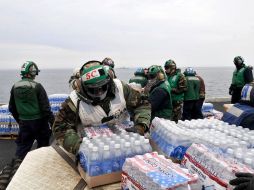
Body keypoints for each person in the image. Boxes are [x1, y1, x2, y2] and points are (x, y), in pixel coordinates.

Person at [52, 63, 151, 155]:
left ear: (108, 82)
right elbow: (61, 128)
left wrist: (141, 125)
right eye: (93, 90)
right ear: (83, 87)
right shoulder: (74, 101)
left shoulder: (121, 88)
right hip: (92, 147)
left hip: (123, 142)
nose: (99, 93)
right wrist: (78, 146)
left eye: (102, 87)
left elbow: (142, 104)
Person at [8, 61, 54, 160]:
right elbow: (46, 109)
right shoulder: (37, 86)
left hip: (24, 122)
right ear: (33, 72)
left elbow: (11, 108)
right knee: (43, 147)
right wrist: (54, 123)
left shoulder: (15, 87)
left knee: (23, 148)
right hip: (40, 123)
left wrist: (20, 120)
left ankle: (17, 167)